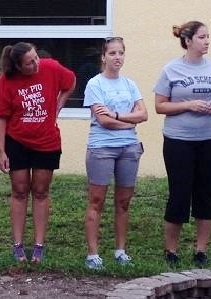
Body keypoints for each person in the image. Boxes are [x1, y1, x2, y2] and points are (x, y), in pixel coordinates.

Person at [153, 21, 211, 268]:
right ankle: (171, 251)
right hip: (179, 141)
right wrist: (188, 105)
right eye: (201, 37)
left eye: (208, 36)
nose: (207, 41)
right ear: (188, 41)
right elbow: (160, 106)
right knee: (179, 194)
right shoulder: (171, 69)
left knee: (205, 193)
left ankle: (201, 251)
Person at [0, 42, 75, 264]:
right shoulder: (6, 80)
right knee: (19, 191)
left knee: (41, 192)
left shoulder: (51, 67)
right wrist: (2, 151)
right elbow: (1, 116)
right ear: (18, 66)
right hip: (17, 141)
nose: (36, 64)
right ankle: (18, 245)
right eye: (30, 63)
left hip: (47, 142)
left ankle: (39, 245)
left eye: (36, 57)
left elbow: (70, 82)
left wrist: (58, 105)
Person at [82, 37, 148, 271]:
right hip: (102, 148)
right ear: (103, 57)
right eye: (112, 53)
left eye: (121, 53)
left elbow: (143, 114)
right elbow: (103, 121)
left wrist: (117, 115)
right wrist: (129, 121)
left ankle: (120, 251)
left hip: (129, 148)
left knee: (123, 201)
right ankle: (93, 254)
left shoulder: (130, 84)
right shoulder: (95, 84)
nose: (117, 57)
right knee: (97, 200)